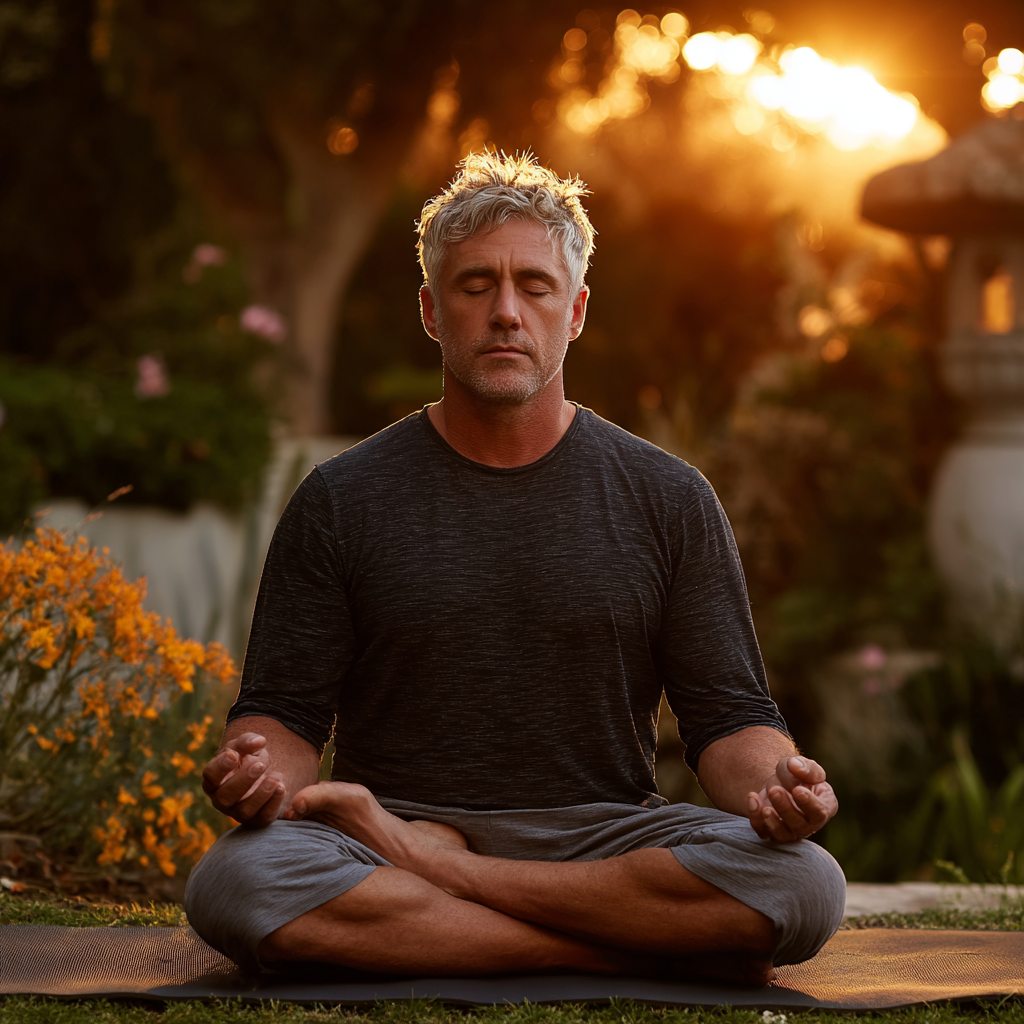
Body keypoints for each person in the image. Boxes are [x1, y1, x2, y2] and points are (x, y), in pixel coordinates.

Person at [184, 152, 844, 985]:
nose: (505, 312)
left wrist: (781, 791)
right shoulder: (341, 499)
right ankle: (607, 950)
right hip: (390, 827)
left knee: (805, 882)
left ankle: (451, 890)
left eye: (534, 286)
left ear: (574, 312)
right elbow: (283, 716)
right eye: (474, 287)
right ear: (431, 310)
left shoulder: (667, 497)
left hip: (596, 837)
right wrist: (257, 768)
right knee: (238, 881)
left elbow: (729, 719)